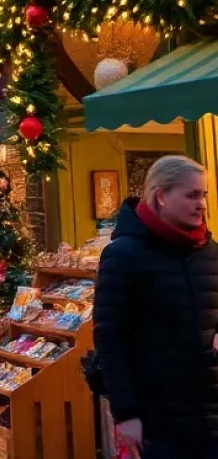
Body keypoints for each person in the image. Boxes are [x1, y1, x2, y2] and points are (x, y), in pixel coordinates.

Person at [94, 155, 218, 459]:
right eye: (191, 195)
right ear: (161, 196)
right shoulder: (123, 255)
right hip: (158, 421)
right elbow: (109, 339)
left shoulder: (210, 251)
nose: (201, 204)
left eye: (203, 195)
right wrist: (126, 413)